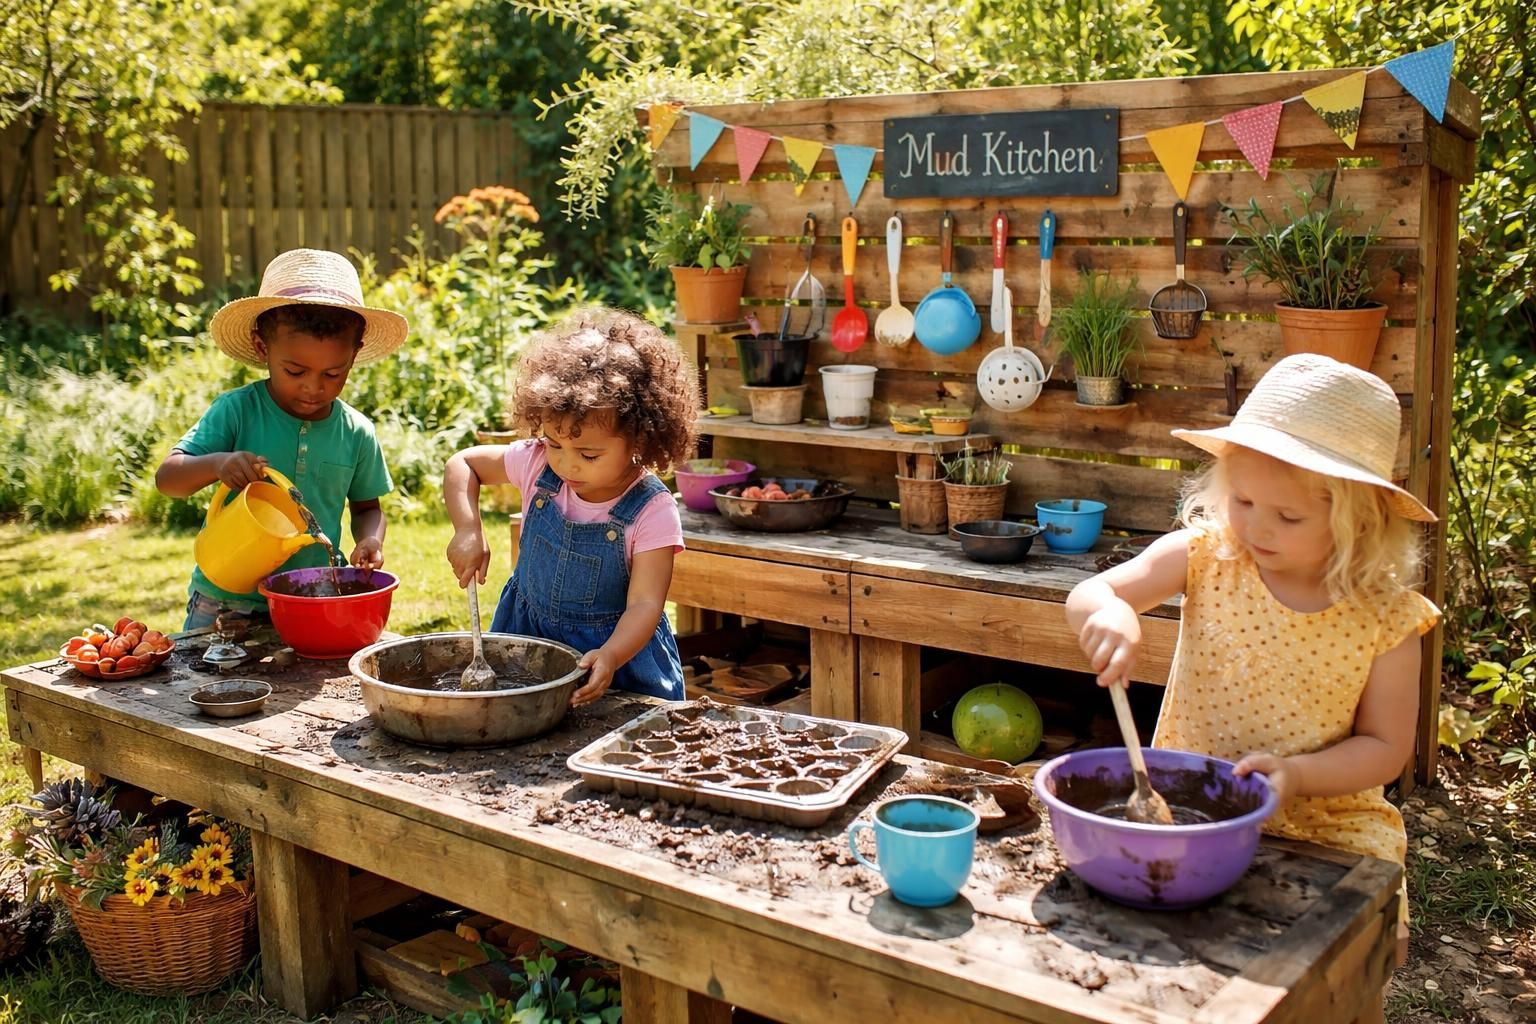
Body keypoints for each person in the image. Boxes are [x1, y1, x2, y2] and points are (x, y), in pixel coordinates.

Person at [1065, 354, 1439, 1024]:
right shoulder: (1208, 556)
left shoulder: (1386, 617)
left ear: (1359, 521)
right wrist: (1112, 613)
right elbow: (1091, 592)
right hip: (1191, 806)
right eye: (1242, 502)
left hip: (1329, 822)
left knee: (1352, 971)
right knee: (1180, 968)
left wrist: (1297, 776)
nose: (1258, 528)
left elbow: (1387, 749)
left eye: (1288, 516)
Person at [444, 308, 699, 707]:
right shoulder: (537, 464)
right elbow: (464, 464)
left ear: (639, 440)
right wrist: (467, 528)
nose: (566, 464)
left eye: (589, 454)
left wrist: (611, 654)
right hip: (527, 644)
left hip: (616, 663)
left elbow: (645, 604)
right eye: (554, 443)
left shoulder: (651, 511)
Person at [156, 249, 408, 630]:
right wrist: (216, 464)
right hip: (226, 602)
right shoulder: (237, 411)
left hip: (314, 597)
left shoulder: (356, 431)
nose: (313, 387)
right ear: (263, 348)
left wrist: (371, 539)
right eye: (295, 371)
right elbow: (168, 479)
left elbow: (367, 508)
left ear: (354, 356)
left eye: (332, 374)